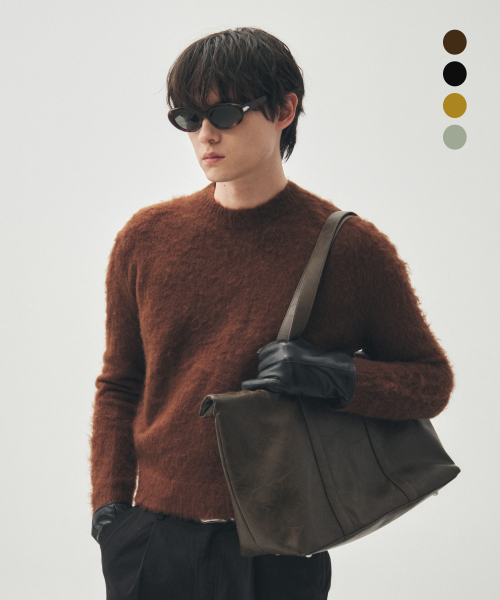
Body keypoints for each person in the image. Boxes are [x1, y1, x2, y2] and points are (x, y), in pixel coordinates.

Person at [89, 27, 455, 600]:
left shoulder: (351, 249)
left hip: (278, 553)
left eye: (225, 114)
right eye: (188, 118)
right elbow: (120, 383)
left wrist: (335, 376)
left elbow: (430, 383)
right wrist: (110, 511)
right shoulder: (147, 238)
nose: (205, 135)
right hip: (152, 545)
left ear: (285, 110)